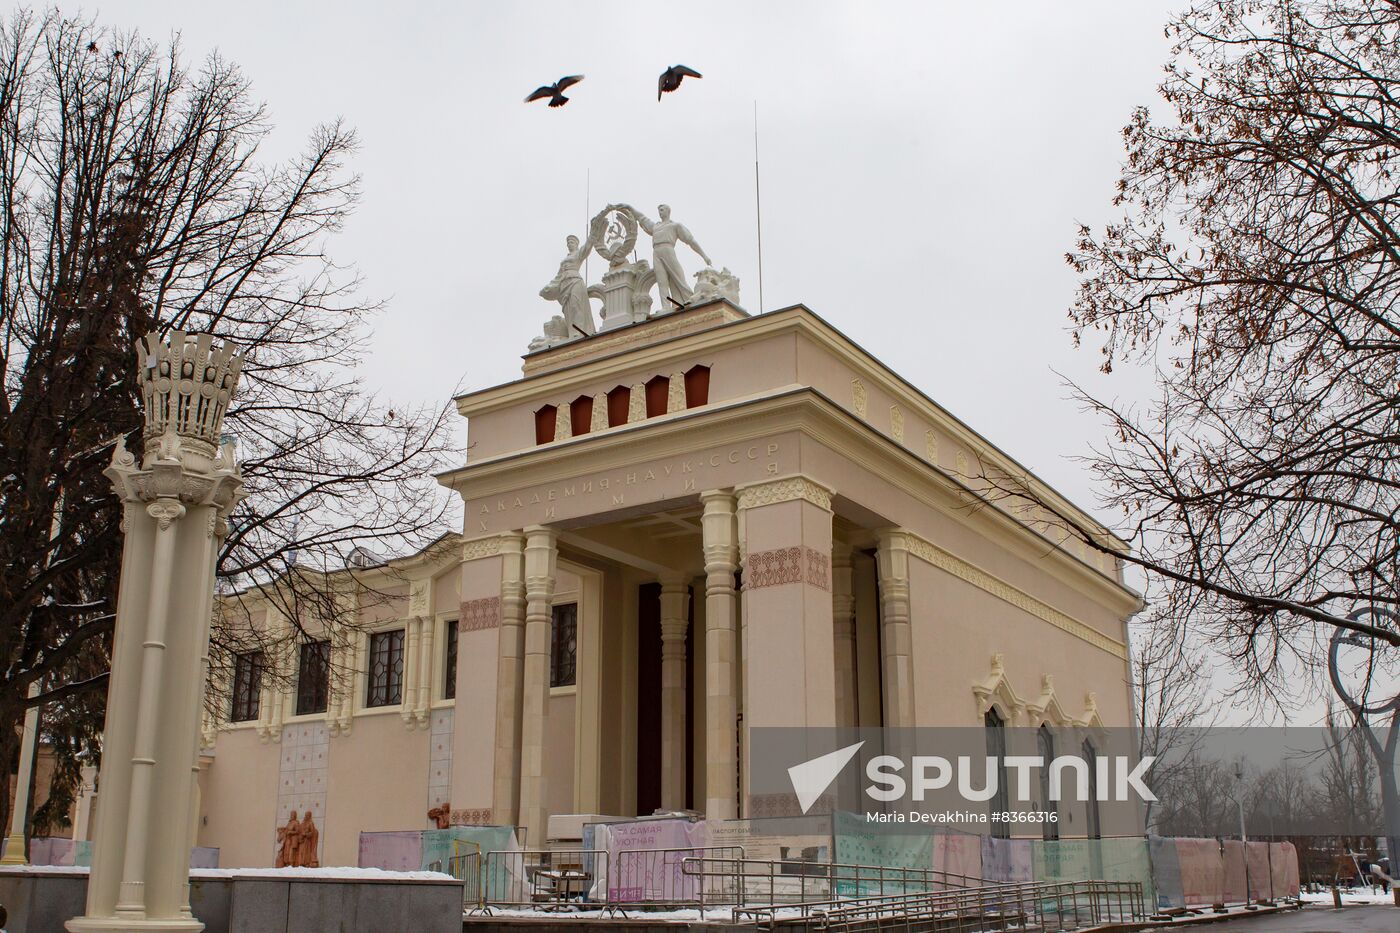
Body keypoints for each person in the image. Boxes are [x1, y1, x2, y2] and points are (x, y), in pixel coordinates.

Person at [627, 204, 711, 310]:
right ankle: (665, 307)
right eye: (659, 210)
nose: (660, 212)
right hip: (656, 253)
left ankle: (691, 299)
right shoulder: (655, 226)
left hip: (668, 250)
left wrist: (704, 256)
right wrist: (629, 208)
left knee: (678, 277)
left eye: (662, 210)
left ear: (668, 211)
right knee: (662, 281)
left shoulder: (675, 226)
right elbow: (642, 218)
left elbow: (691, 241)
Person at [540, 234, 597, 337]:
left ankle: (579, 330)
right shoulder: (565, 260)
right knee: (569, 310)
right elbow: (558, 277)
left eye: (571, 242)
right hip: (564, 285)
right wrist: (549, 287)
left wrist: (592, 235)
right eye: (568, 243)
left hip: (575, 281)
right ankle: (573, 332)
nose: (569, 245)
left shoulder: (578, 254)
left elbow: (587, 247)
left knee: (576, 306)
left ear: (576, 244)